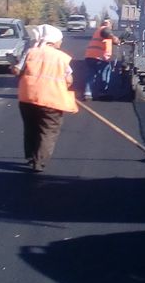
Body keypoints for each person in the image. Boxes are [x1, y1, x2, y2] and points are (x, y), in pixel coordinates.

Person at [11, 23, 77, 173]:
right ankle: (39, 162)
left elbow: (16, 70)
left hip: (28, 98)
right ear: (53, 41)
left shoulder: (31, 52)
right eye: (60, 40)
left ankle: (30, 156)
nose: (61, 43)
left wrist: (13, 66)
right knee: (48, 131)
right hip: (51, 100)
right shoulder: (62, 58)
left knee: (31, 128)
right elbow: (69, 80)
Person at [83, 17, 122, 100]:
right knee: (105, 74)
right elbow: (108, 34)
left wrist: (116, 41)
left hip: (90, 56)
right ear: (109, 24)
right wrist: (116, 40)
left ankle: (87, 93)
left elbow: (108, 40)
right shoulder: (105, 30)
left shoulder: (99, 31)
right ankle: (103, 92)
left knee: (91, 75)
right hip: (100, 58)